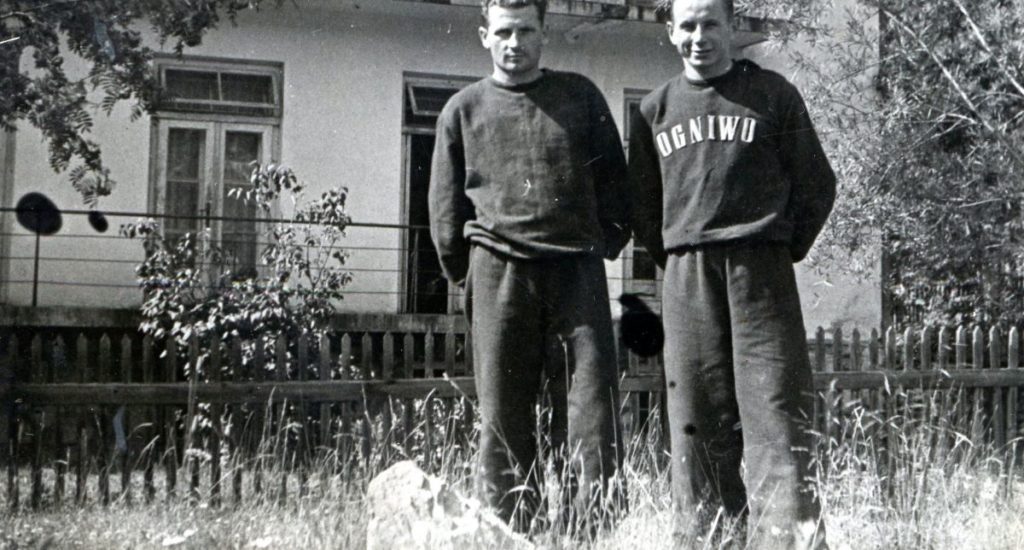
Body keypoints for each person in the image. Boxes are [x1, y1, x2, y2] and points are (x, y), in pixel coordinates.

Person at [627, 0, 835, 547]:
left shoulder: (773, 95)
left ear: (732, 26)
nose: (699, 37)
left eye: (710, 24)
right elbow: (643, 206)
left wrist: (777, 250)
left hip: (760, 273)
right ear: (670, 31)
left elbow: (817, 185)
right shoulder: (653, 110)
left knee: (775, 416)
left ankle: (787, 540)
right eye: (688, 25)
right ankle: (707, 539)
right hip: (688, 275)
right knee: (696, 422)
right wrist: (680, 259)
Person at [428, 0, 630, 534]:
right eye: (503, 32)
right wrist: (472, 276)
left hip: (576, 274)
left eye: (525, 31)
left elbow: (617, 186)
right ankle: (509, 531)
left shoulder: (580, 97)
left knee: (590, 411)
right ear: (484, 36)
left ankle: (591, 532)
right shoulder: (462, 110)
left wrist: (598, 246)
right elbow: (446, 213)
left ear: (544, 33)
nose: (514, 43)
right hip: (500, 275)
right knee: (503, 415)